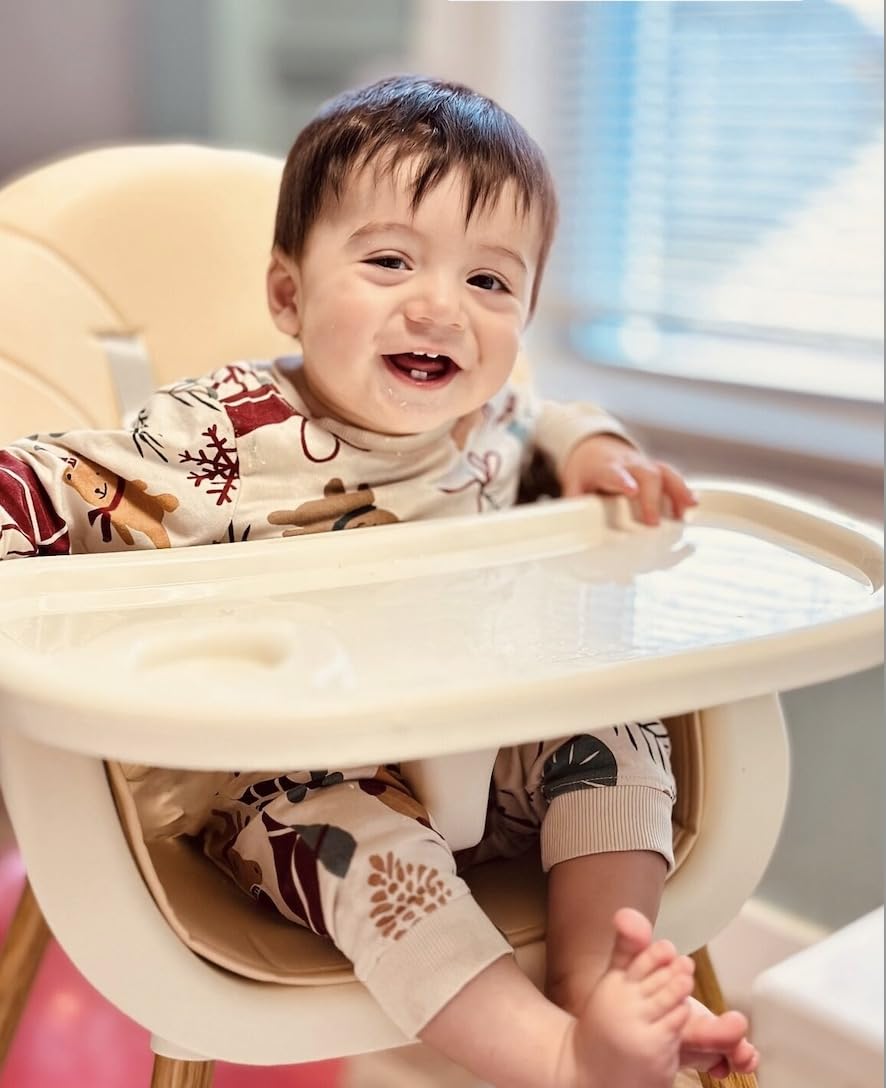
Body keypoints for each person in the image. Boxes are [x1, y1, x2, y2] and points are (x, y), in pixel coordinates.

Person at [0, 75, 758, 1086]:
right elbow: (57, 481)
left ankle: (601, 976)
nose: (440, 305)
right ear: (289, 295)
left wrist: (596, 451)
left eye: (488, 281)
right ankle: (560, 1056)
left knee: (618, 728)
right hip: (295, 777)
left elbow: (546, 418)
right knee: (367, 857)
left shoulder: (487, 424)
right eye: (391, 261)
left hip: (490, 748)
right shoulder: (219, 433)